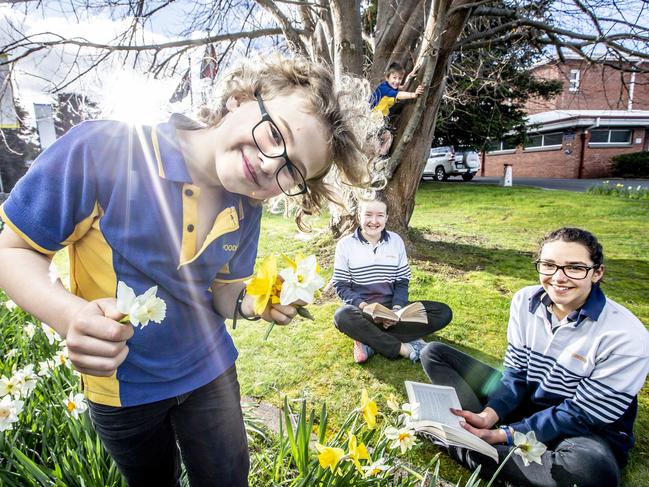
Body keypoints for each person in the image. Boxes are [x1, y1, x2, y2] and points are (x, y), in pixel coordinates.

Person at [0, 55, 373, 486]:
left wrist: (259, 305)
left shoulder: (247, 205)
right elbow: (12, 251)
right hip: (124, 389)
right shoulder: (102, 151)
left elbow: (223, 294)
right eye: (275, 134)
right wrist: (69, 316)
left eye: (292, 171)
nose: (272, 165)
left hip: (210, 370)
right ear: (239, 99)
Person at [420, 227, 649, 487]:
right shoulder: (524, 300)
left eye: (574, 268)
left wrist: (504, 434)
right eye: (549, 265)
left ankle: (460, 442)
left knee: (591, 472)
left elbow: (582, 414)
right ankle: (484, 435)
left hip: (583, 430)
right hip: (527, 403)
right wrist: (490, 414)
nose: (558, 278)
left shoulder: (626, 335)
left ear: (597, 273)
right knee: (434, 353)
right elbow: (516, 374)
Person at [332, 196, 452, 364]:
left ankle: (368, 340)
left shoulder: (396, 241)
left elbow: (402, 281)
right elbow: (341, 285)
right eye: (368, 215)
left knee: (443, 312)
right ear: (359, 215)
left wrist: (396, 310)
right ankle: (405, 348)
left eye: (380, 215)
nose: (374, 221)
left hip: (395, 312)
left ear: (387, 218)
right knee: (342, 316)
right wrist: (367, 308)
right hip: (363, 312)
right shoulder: (345, 245)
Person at [369, 62, 424, 156]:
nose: (397, 81)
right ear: (387, 78)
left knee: (388, 136)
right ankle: (376, 159)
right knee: (375, 141)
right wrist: (413, 94)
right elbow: (399, 94)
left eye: (400, 78)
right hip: (371, 120)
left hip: (378, 121)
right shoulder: (384, 89)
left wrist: (409, 77)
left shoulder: (390, 86)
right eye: (394, 78)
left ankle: (381, 157)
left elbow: (401, 88)